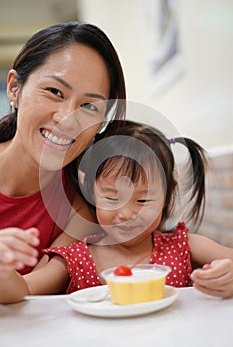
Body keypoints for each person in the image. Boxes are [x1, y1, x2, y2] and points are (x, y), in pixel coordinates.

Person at [1, 119, 233, 303]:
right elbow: (24, 289)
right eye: (112, 198)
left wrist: (228, 275)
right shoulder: (75, 259)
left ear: (166, 196)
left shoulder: (183, 245)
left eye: (143, 199)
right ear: (91, 193)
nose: (127, 213)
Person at [0, 21, 126, 276]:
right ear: (14, 89)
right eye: (54, 91)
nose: (67, 119)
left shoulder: (78, 214)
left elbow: (30, 294)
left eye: (90, 106)